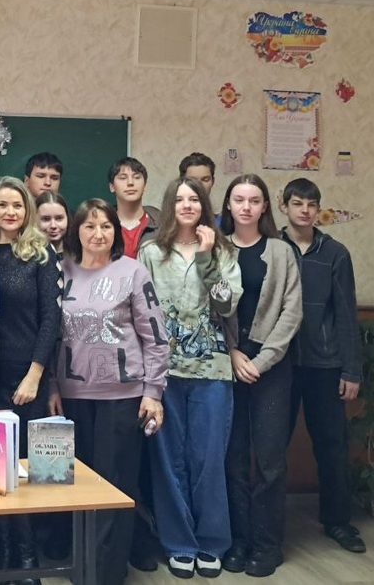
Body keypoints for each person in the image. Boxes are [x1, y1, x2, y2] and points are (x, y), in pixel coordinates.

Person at [47, 198, 168, 585]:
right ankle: (81, 566)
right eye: (89, 226)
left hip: (122, 396)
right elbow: (49, 333)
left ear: (115, 232)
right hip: (71, 397)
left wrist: (153, 391)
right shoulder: (60, 271)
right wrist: (52, 384)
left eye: (105, 226)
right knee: (76, 485)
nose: (98, 234)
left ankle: (107, 573)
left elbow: (155, 337)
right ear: (76, 231)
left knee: (115, 486)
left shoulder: (132, 272)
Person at [138, 178, 242, 579]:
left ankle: (211, 542)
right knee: (168, 460)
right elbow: (139, 311)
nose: (186, 205)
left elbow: (226, 306)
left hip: (212, 369)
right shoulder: (151, 252)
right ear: (169, 206)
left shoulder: (223, 251)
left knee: (208, 458)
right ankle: (179, 542)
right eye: (179, 199)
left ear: (204, 206)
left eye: (194, 199)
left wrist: (206, 257)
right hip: (162, 372)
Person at [219, 173, 302, 578]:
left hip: (272, 368)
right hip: (229, 365)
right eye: (239, 199)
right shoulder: (216, 248)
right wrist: (233, 353)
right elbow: (210, 307)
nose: (246, 207)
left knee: (269, 460)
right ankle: (239, 540)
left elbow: (292, 311)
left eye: (254, 200)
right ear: (228, 204)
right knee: (233, 459)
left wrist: (262, 360)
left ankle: (267, 545)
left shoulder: (282, 251)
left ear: (265, 206)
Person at [0, 177, 60, 585]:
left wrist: (35, 375)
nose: (10, 212)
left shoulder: (40, 254)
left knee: (25, 469)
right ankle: (6, 555)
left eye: (17, 205)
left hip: (29, 377)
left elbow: (51, 320)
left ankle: (29, 561)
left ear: (27, 210)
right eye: (3, 205)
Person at [280, 178, 365, 553]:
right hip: (278, 365)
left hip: (325, 365)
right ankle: (269, 523)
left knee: (332, 445)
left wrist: (351, 370)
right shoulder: (272, 247)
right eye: (297, 203)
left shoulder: (335, 253)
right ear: (284, 206)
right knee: (271, 447)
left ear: (318, 210)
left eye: (311, 205)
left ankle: (338, 521)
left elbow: (346, 314)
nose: (304, 210)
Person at [108, 157, 160, 259]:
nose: (130, 182)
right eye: (123, 178)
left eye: (136, 177)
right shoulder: (102, 225)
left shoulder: (162, 223)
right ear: (112, 187)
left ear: (145, 185)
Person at [35, 191, 68, 257]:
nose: (53, 226)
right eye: (46, 219)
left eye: (59, 218)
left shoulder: (80, 254)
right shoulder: (26, 257)